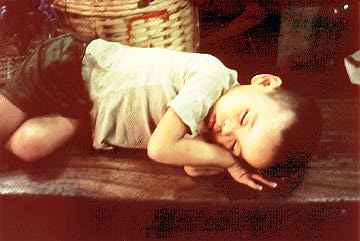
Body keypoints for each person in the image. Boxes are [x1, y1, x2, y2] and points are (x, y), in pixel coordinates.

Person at [0, 34, 321, 191]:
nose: (225, 129)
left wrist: (222, 158)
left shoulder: (209, 131)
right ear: (264, 81)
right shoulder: (211, 78)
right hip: (69, 68)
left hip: (83, 113)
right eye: (244, 119)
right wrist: (229, 161)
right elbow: (160, 148)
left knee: (28, 147)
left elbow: (192, 169)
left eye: (235, 145)